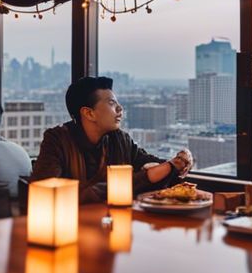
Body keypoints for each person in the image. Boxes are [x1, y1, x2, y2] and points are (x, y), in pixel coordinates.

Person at [31, 76, 193, 203]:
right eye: (111, 103)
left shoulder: (119, 139)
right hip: (70, 226)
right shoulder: (57, 140)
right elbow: (46, 192)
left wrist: (179, 162)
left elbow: (154, 165)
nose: (120, 108)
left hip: (115, 223)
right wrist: (144, 178)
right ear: (89, 113)